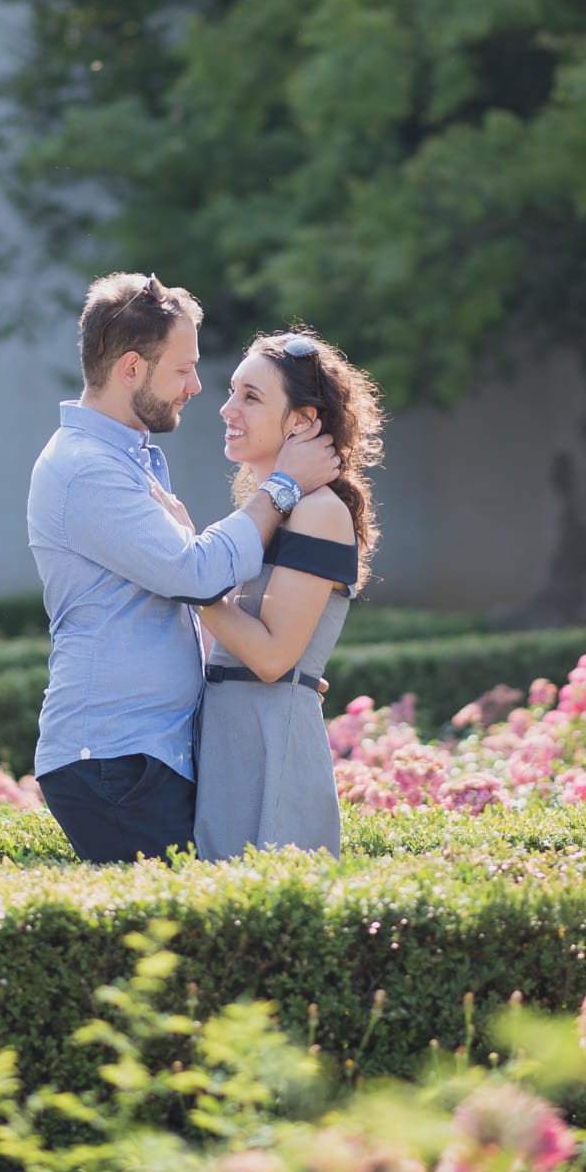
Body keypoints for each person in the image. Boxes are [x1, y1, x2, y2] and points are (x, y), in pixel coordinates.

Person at [27, 273, 341, 865]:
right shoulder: (88, 468)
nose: (197, 388)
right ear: (131, 368)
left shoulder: (129, 460)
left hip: (141, 755)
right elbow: (194, 577)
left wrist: (268, 678)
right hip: (116, 759)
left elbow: (183, 601)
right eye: (183, 369)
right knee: (173, 923)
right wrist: (281, 487)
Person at [174, 329, 385, 861]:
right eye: (232, 391)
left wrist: (188, 576)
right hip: (233, 739)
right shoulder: (270, 514)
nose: (227, 409)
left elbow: (271, 658)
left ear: (302, 421)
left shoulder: (319, 512)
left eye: (251, 397)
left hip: (272, 746)